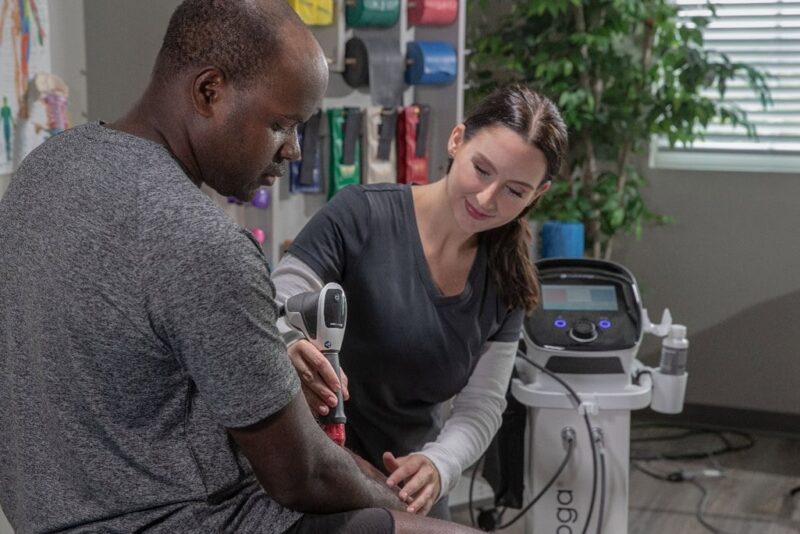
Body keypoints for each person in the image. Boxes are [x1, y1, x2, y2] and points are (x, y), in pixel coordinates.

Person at [0, 1, 481, 533]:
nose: (293, 151)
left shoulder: (47, 166)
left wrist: (267, 350)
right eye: (281, 125)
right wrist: (395, 498)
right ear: (209, 92)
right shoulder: (198, 240)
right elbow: (303, 476)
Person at [273, 85, 568, 518]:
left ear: (536, 194)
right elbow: (280, 295)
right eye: (482, 170)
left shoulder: (509, 282)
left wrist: (439, 464)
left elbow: (482, 403)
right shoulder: (362, 215)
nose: (487, 199)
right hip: (317, 466)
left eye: (514, 191)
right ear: (456, 140)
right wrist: (288, 338)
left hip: (412, 486)